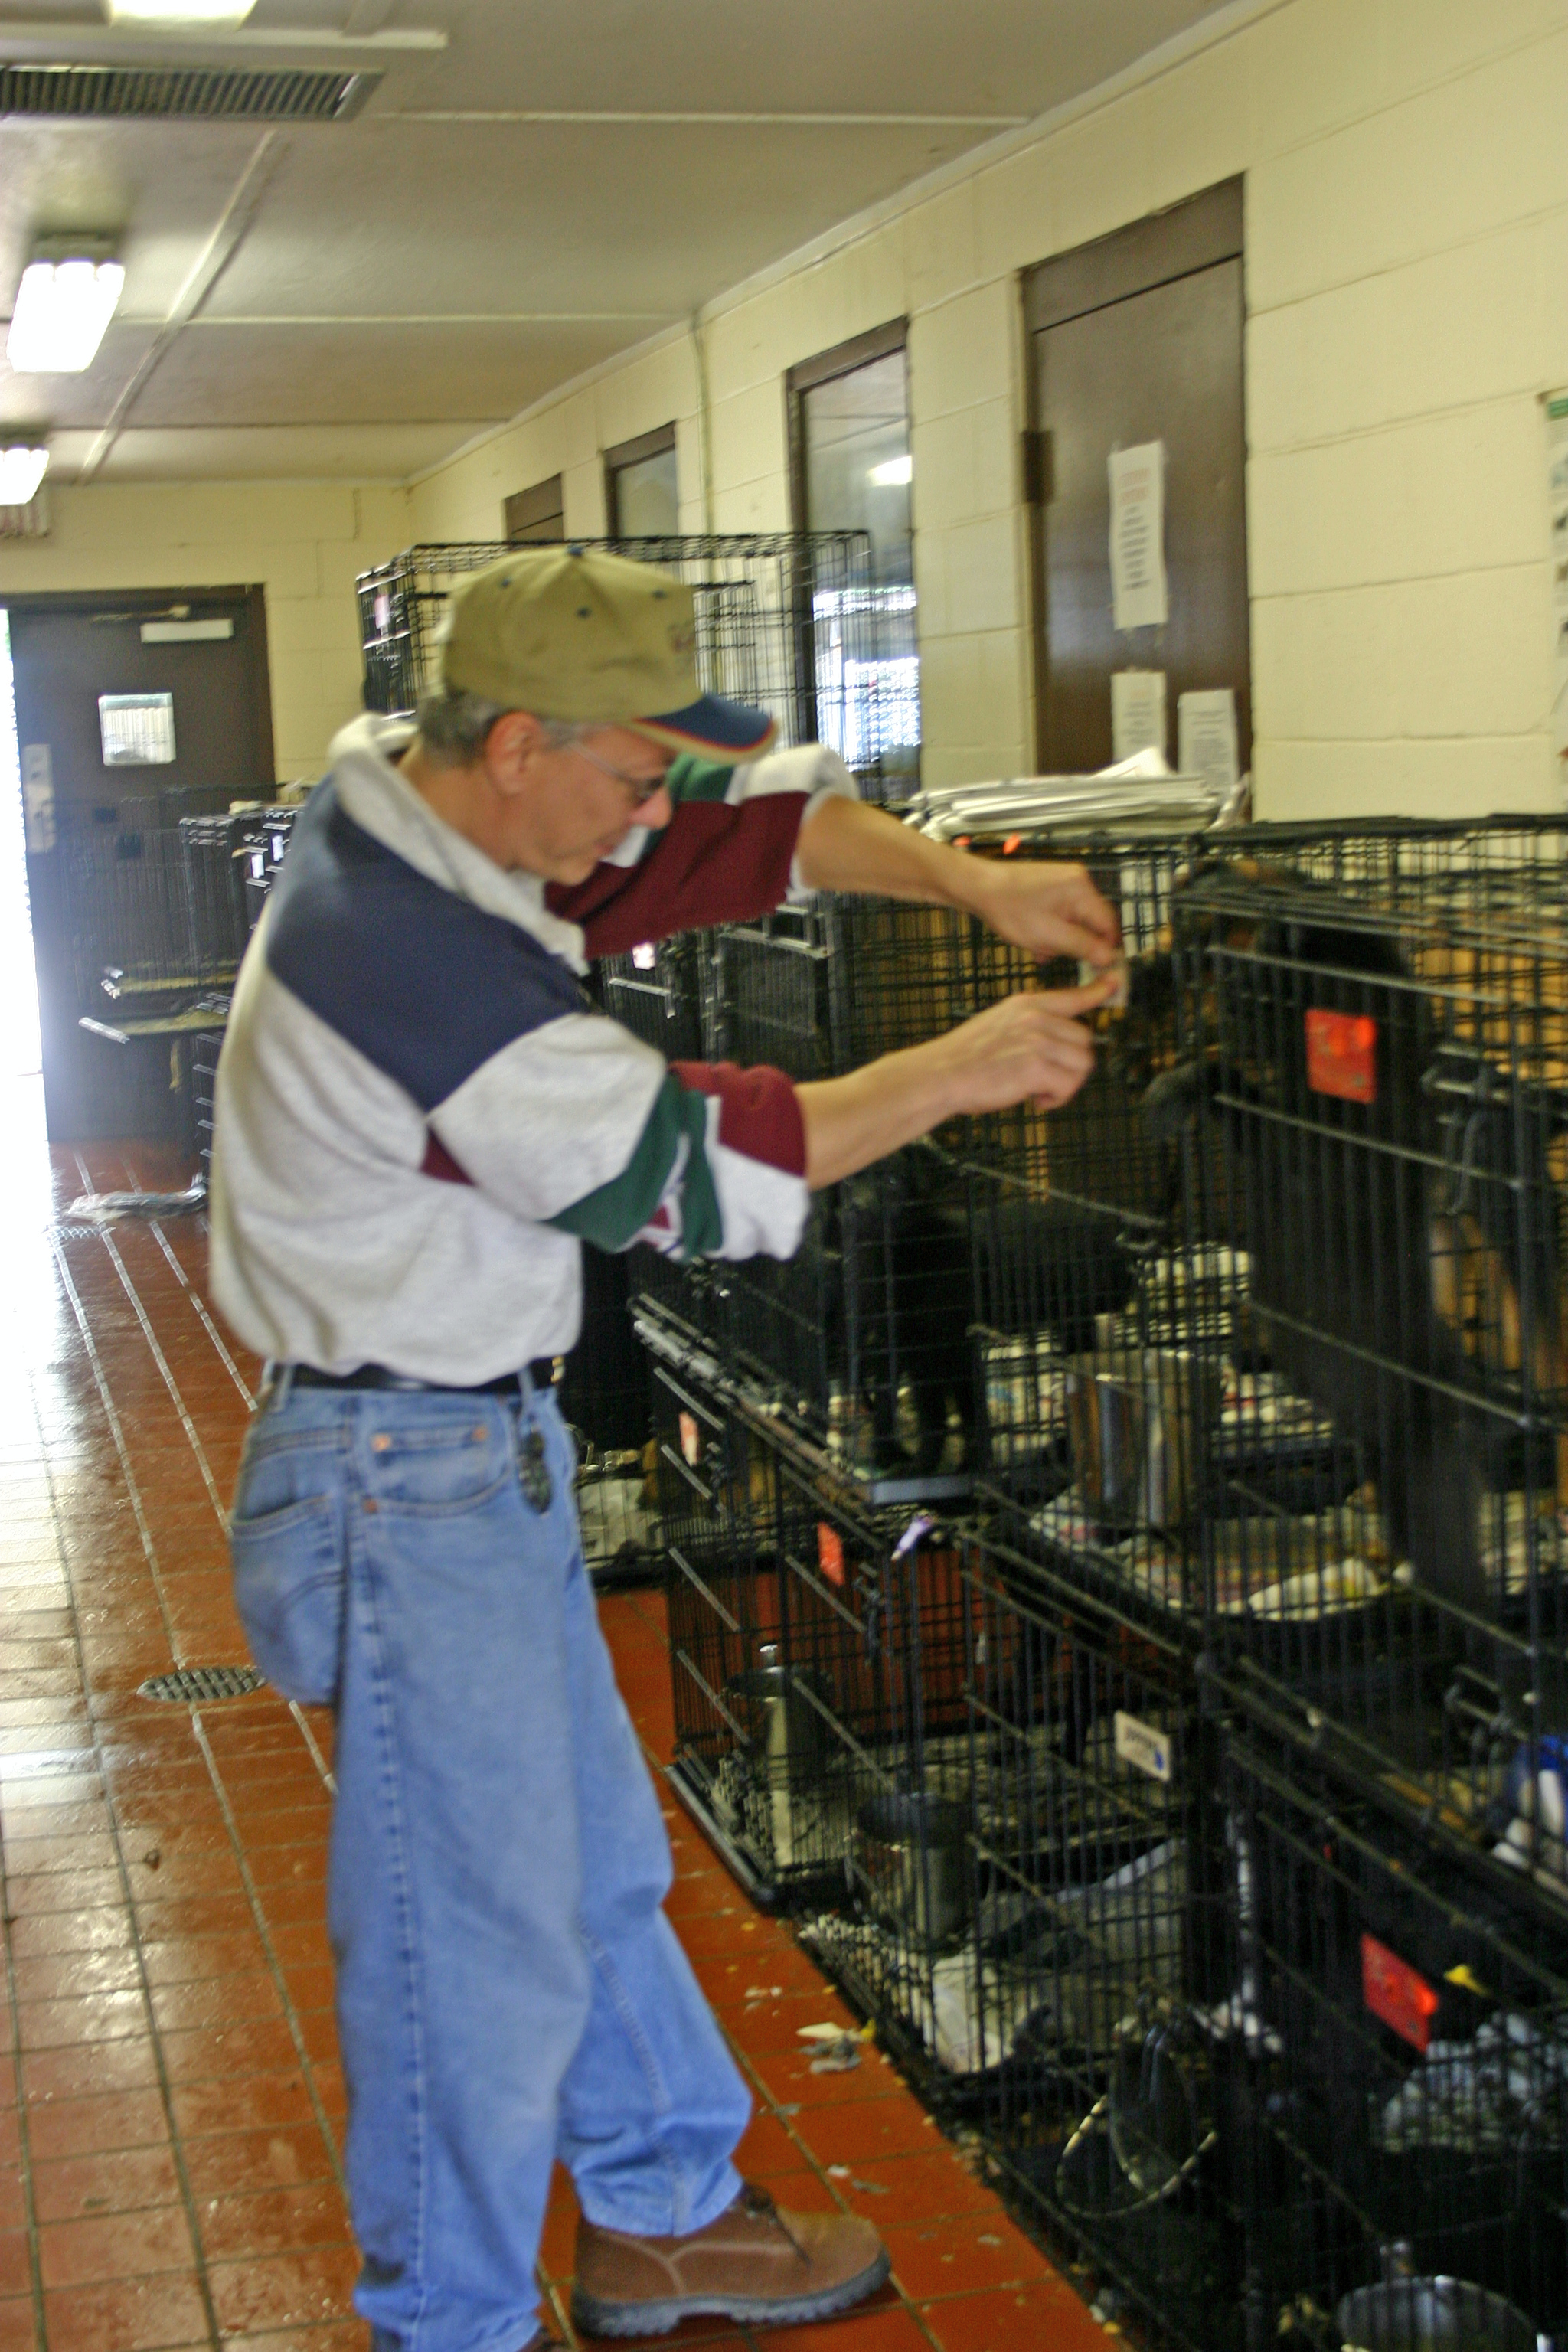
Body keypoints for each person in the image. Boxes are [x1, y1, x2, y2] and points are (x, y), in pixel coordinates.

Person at [211, 545, 1120, 2352]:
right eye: (629, 771)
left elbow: (746, 824)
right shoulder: (409, 953)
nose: (648, 809)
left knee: (591, 1877)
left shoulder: (432, 788)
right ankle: (446, 2319)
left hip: (473, 1454)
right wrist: (964, 1064)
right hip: (401, 1479)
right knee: (462, 1948)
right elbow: (677, 1175)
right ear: (524, 741)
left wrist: (963, 879)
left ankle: (665, 2214)